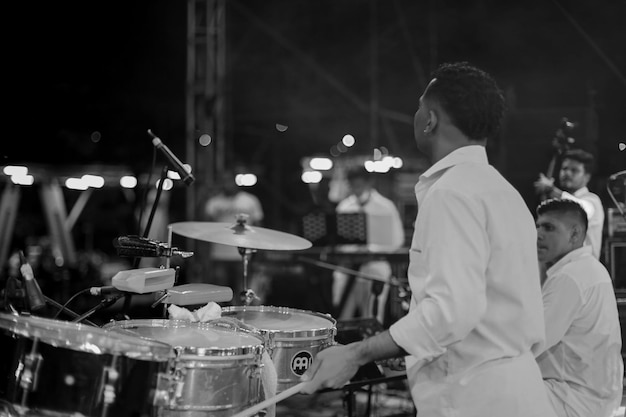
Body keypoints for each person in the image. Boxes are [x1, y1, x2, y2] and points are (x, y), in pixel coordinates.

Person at [300, 61, 557, 417]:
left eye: (420, 106)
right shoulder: (504, 191)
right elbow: (488, 311)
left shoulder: (452, 193)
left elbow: (452, 312)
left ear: (431, 119)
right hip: (514, 390)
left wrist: (355, 354)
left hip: (473, 399)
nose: (416, 115)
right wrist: (411, 352)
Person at [534, 198, 623, 417]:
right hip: (595, 397)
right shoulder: (591, 267)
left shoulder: (570, 276)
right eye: (537, 226)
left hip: (570, 398)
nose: (538, 235)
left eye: (549, 227)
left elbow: (532, 341)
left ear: (575, 234)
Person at [332, 167, 405, 325]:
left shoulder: (386, 206)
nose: (356, 188)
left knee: (372, 317)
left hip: (375, 268)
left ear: (368, 182)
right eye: (353, 184)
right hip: (348, 269)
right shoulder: (344, 207)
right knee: (342, 317)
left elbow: (397, 240)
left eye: (359, 183)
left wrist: (372, 249)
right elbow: (336, 241)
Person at [534, 149, 604, 259]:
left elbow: (579, 208)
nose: (567, 173)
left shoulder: (592, 200)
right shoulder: (560, 203)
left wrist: (552, 190)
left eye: (574, 170)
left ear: (587, 177)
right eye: (564, 169)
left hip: (584, 265)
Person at [204, 172, 264, 299]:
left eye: (229, 180)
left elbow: (259, 227)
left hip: (243, 253)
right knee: (219, 293)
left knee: (242, 291)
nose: (227, 184)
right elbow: (202, 225)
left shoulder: (250, 200)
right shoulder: (214, 202)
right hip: (219, 253)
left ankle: (241, 317)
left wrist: (259, 253)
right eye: (223, 181)